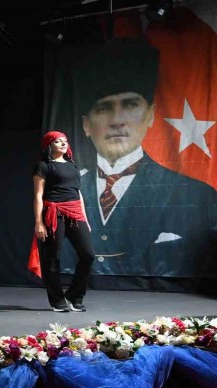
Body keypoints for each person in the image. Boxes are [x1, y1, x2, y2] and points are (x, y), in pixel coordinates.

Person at [64, 37, 217, 277]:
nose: (117, 121)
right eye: (103, 108)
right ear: (86, 125)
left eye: (130, 105)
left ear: (150, 115)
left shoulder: (196, 195)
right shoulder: (69, 192)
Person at [31, 131, 94, 312]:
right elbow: (38, 195)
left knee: (88, 254)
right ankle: (57, 300)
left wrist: (84, 217)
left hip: (75, 212)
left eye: (65, 141)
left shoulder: (72, 165)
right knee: (52, 258)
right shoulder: (44, 166)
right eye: (58, 141)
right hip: (53, 212)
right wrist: (38, 222)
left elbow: (78, 193)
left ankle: (74, 296)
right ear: (49, 146)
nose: (63, 143)